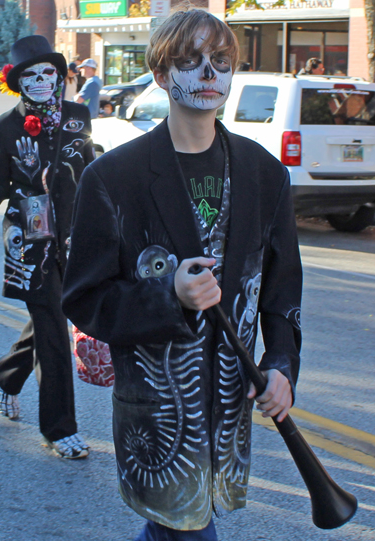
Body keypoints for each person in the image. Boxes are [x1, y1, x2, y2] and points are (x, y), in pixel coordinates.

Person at [62, 8, 302, 539]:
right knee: (184, 528)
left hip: (229, 413)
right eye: (191, 61)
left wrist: (282, 363)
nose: (209, 73)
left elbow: (282, 291)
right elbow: (83, 298)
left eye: (220, 60)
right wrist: (168, 296)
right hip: (160, 415)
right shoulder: (112, 177)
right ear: (162, 75)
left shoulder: (266, 175)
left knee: (183, 527)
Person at [0, 35, 94, 459]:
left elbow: (91, 170)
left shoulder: (79, 116)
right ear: (17, 80)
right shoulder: (5, 127)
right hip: (30, 240)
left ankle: (4, 375)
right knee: (53, 333)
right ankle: (59, 429)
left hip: (73, 236)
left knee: (51, 321)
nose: (42, 80)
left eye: (49, 72)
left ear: (60, 76)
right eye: (31, 74)